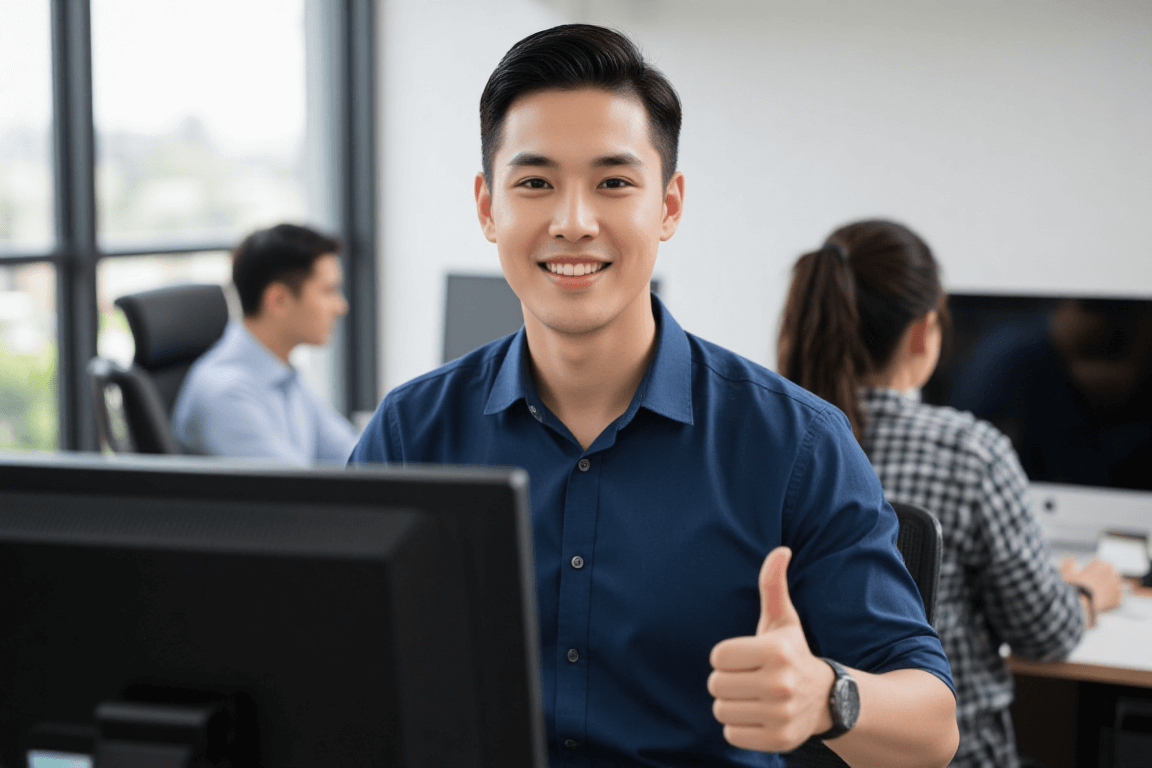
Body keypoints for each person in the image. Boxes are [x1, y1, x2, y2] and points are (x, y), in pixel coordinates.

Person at [351, 25, 958, 767]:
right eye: (535, 182)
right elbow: (340, 675)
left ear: (668, 206)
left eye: (614, 182)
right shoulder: (411, 434)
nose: (573, 222)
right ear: (488, 207)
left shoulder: (795, 442)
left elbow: (933, 732)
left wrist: (827, 695)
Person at [776, 219, 1126, 768]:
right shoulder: (969, 452)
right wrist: (1087, 594)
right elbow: (1045, 632)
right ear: (923, 332)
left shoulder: (764, 441)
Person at [172, 223, 358, 464]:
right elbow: (302, 494)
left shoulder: (281, 374)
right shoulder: (227, 394)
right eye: (328, 291)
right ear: (278, 300)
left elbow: (351, 455)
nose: (341, 307)